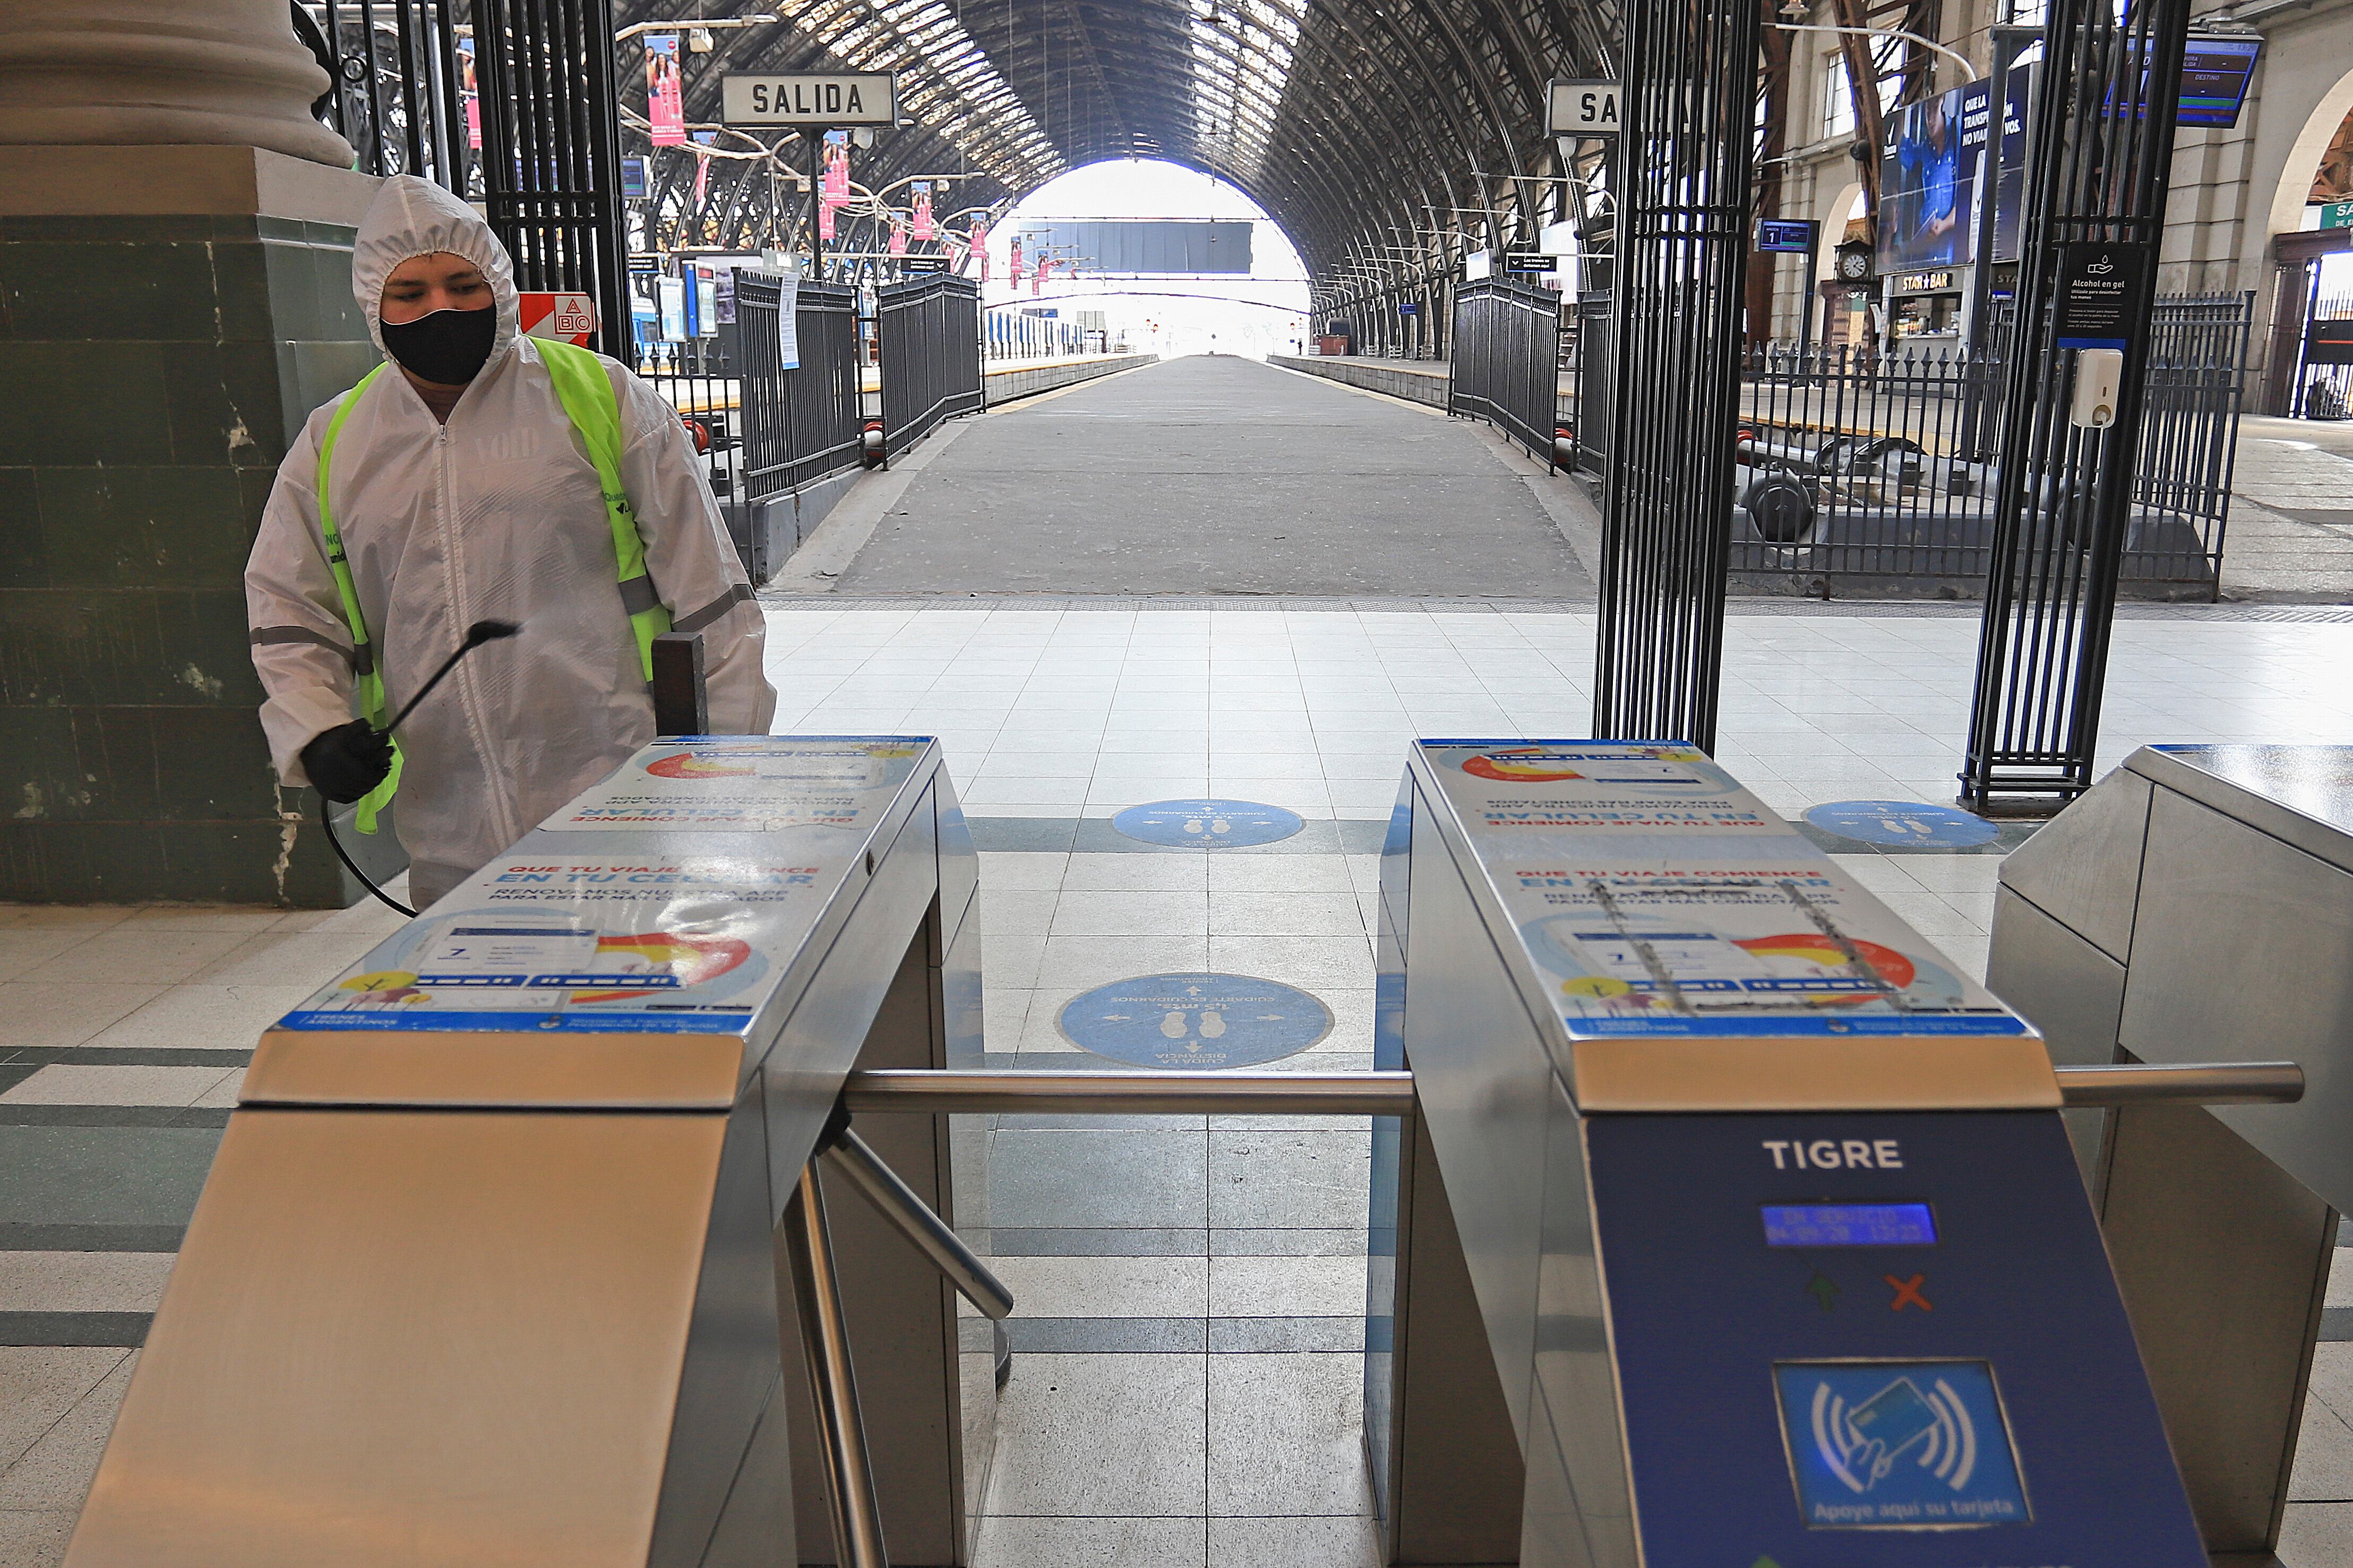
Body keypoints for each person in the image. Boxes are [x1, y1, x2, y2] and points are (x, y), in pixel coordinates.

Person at [246, 176, 776, 909]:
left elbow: (715, 600)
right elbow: (287, 609)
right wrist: (317, 727)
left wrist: (726, 771)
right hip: (446, 826)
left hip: (618, 796)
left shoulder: (601, 399)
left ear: (497, 280)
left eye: (462, 284)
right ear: (375, 303)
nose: (440, 308)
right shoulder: (334, 444)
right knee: (482, 1012)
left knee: (627, 1002)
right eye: (411, 293)